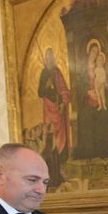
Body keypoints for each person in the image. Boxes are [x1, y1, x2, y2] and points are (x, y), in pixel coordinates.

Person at [36, 48, 71, 181]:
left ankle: (62, 163)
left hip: (58, 108)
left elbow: (64, 89)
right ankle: (52, 168)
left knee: (60, 135)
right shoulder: (44, 73)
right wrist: (46, 85)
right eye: (47, 57)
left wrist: (63, 103)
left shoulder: (57, 72)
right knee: (51, 135)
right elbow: (40, 92)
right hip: (49, 109)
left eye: (51, 57)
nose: (49, 60)